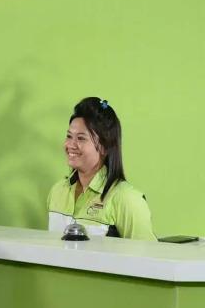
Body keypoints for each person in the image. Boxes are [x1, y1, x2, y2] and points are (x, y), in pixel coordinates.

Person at [47, 96, 155, 240]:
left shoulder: (127, 199)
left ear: (105, 146)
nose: (70, 145)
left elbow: (146, 253)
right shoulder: (57, 192)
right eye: (69, 136)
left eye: (81, 138)